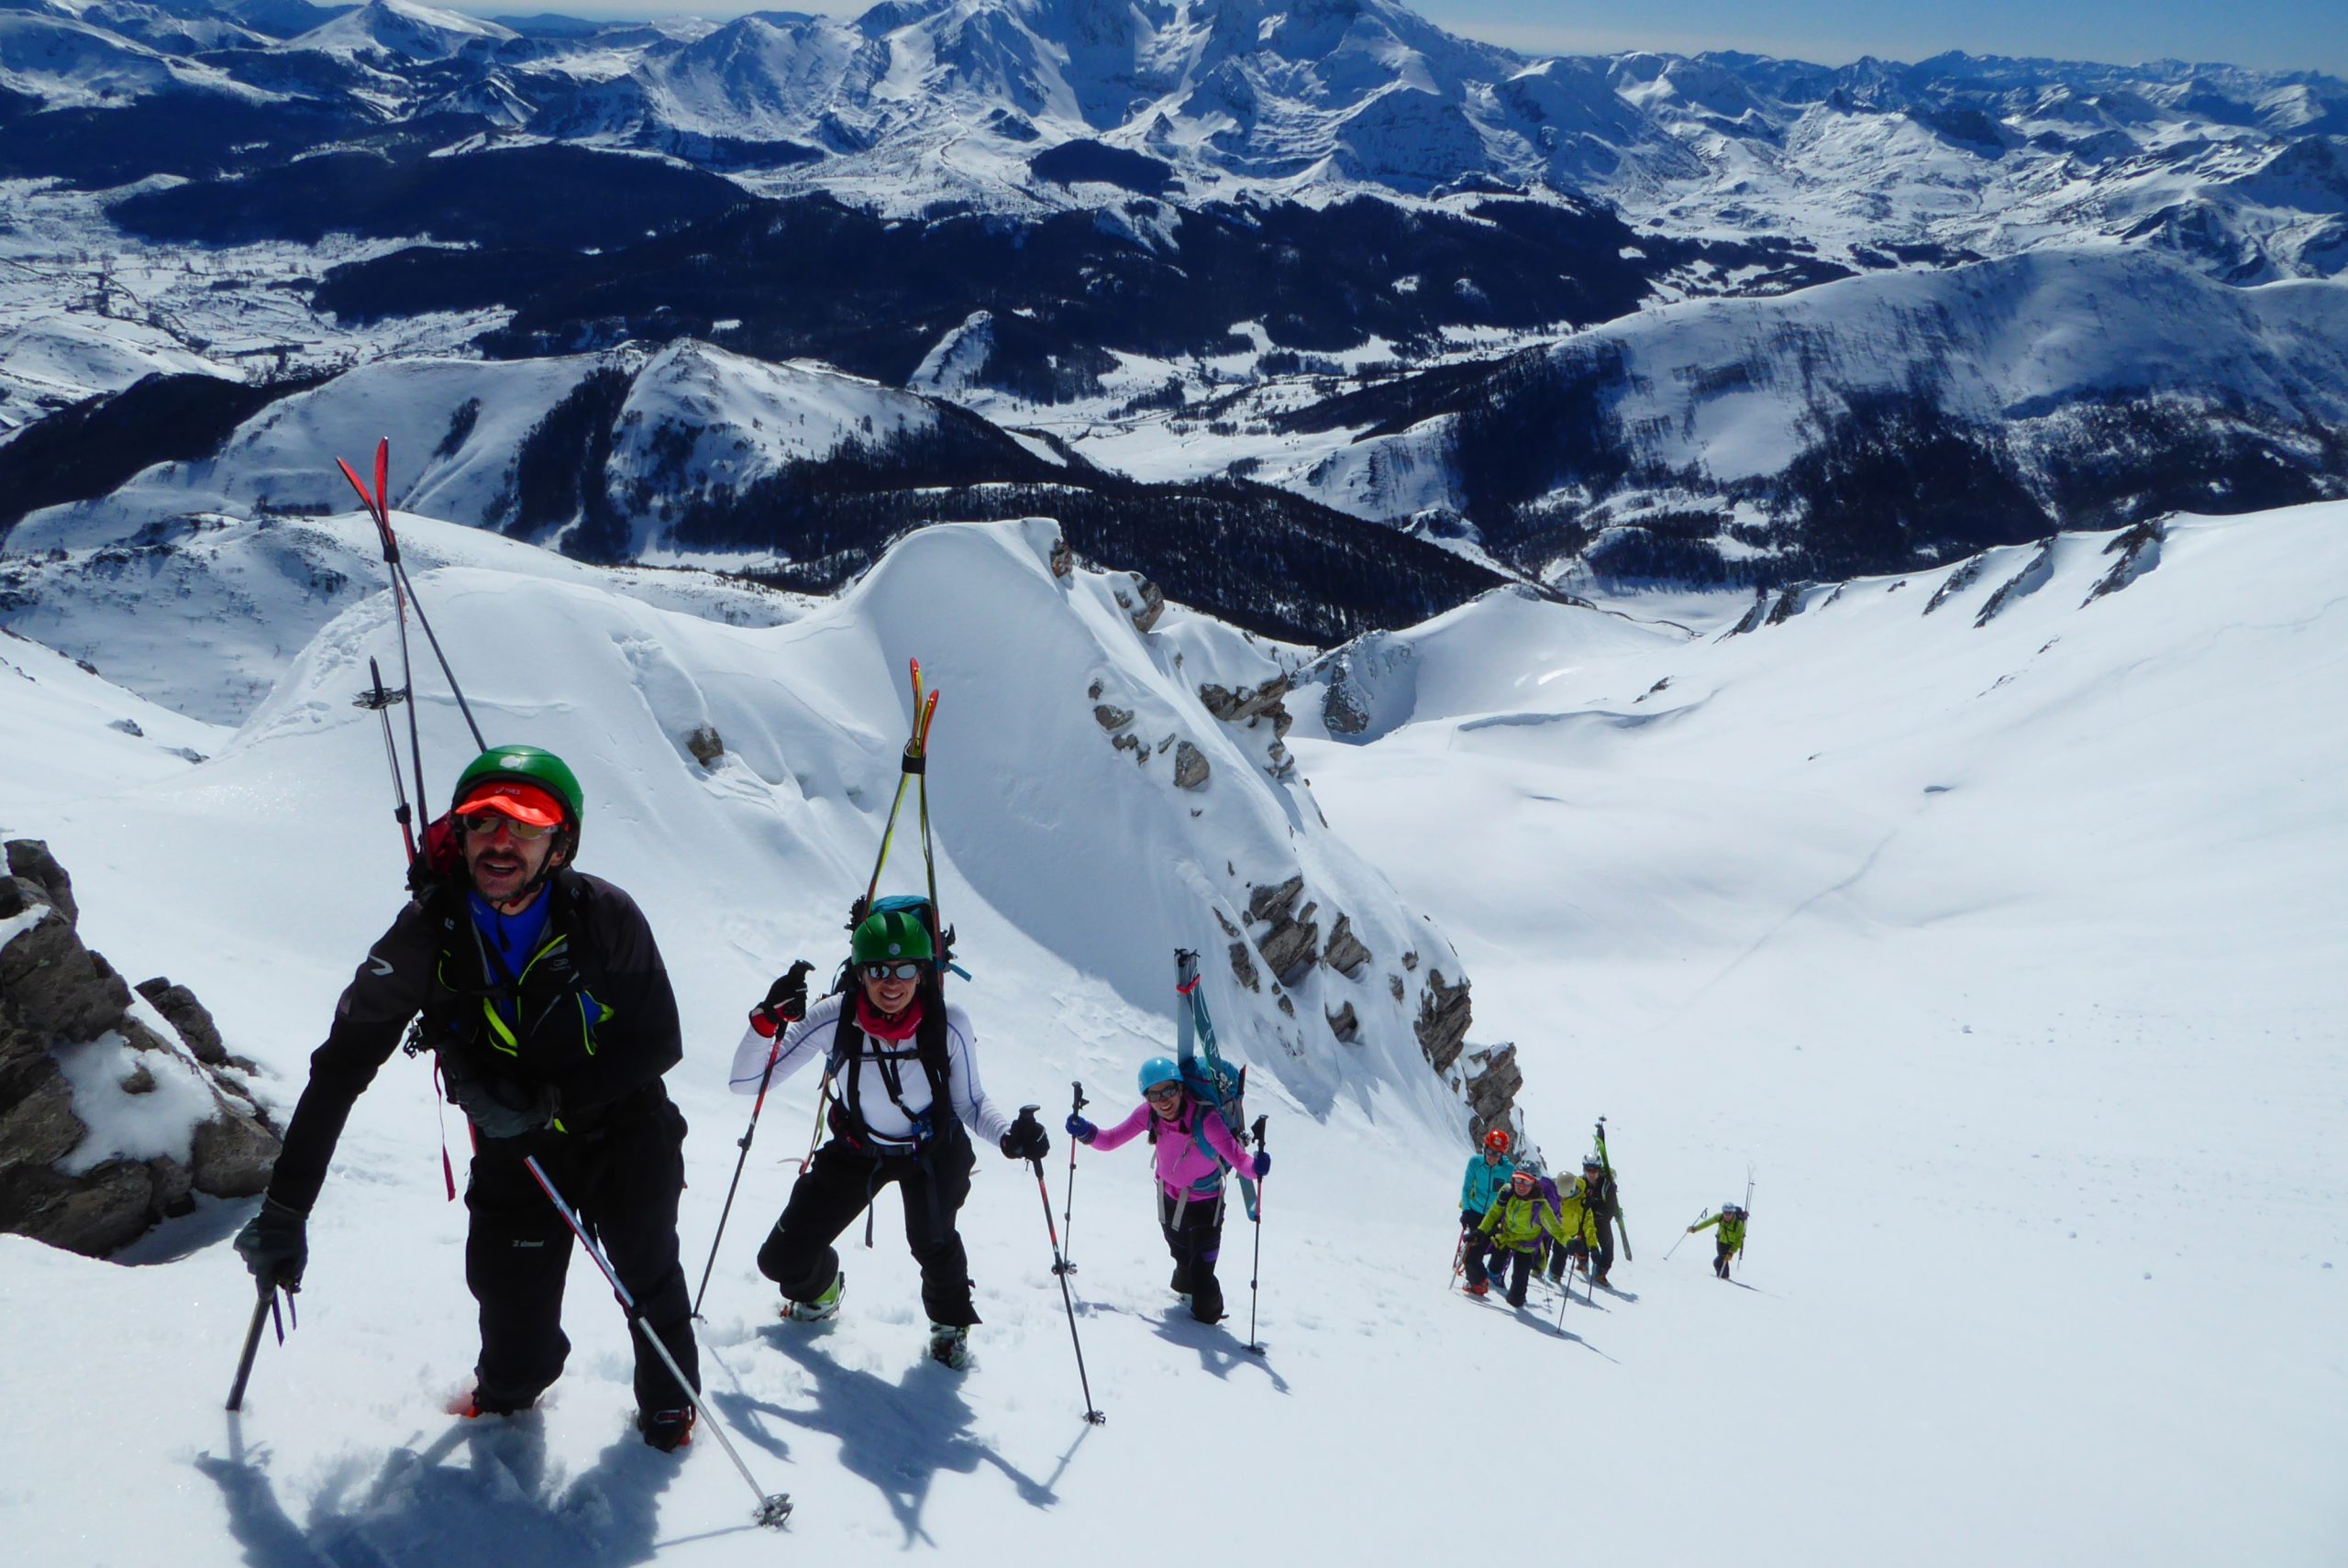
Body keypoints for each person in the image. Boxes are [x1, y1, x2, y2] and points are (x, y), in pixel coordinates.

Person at [232, 746, 704, 1450]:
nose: (501, 841)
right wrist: (284, 1209)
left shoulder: (604, 916)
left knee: (646, 1271)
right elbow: (342, 1066)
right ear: (460, 835)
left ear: (560, 843)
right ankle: (514, 1385)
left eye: (527, 824)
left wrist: (551, 1102)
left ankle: (670, 1408)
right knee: (508, 1304)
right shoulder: (429, 934)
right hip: (516, 1150)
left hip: (624, 1128)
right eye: (482, 822)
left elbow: (658, 1041)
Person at [728, 903, 1047, 1370]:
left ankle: (949, 1325)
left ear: (922, 973)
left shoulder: (948, 1021)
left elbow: (971, 1104)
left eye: (903, 969)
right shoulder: (832, 1017)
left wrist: (1008, 1137)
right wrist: (765, 1021)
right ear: (860, 973)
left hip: (932, 1151)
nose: (890, 982)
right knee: (781, 1260)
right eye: (878, 969)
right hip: (857, 1150)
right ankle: (821, 1291)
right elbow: (746, 1084)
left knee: (934, 1241)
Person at [1066, 1057, 1270, 1324]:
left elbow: (1238, 1159)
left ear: (1181, 1088)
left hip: (1205, 1207)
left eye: (1168, 1091)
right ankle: (1184, 1300)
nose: (1163, 1100)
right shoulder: (1148, 1115)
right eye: (1154, 1094)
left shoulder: (1206, 1120)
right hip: (1168, 1200)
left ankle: (1207, 1322)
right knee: (1182, 1258)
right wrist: (1086, 1133)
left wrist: (1257, 1168)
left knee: (1203, 1277)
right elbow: (1111, 1139)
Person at [1554, 1154, 1623, 1286]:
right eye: (1588, 1170)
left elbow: (1610, 1208)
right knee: (1581, 1246)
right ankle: (1582, 1262)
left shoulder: (1607, 1186)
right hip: (1583, 1221)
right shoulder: (1579, 1183)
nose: (1591, 1173)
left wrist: (1595, 1210)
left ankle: (1600, 1273)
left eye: (1595, 1170)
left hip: (1601, 1222)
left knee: (1608, 1252)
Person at [1457, 1128, 1514, 1284]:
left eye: (1497, 1154)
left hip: (1494, 1216)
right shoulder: (1475, 1162)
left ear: (1503, 1154)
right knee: (1474, 1253)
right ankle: (1479, 1281)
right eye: (1489, 1151)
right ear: (1485, 1148)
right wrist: (1466, 1210)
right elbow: (1467, 1188)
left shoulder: (1509, 1170)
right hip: (1475, 1211)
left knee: (1484, 1249)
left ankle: (1481, 1279)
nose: (1492, 1157)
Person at [1689, 1202, 1748, 1279]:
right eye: (1725, 1212)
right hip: (1720, 1242)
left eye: (1729, 1213)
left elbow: (1738, 1240)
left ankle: (1723, 1277)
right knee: (1722, 1261)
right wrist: (1695, 1228)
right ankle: (1723, 1277)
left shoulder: (1739, 1224)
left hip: (1730, 1245)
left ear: (1733, 1213)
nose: (1727, 1215)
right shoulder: (1719, 1217)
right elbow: (1708, 1222)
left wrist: (1731, 1252)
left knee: (1717, 1262)